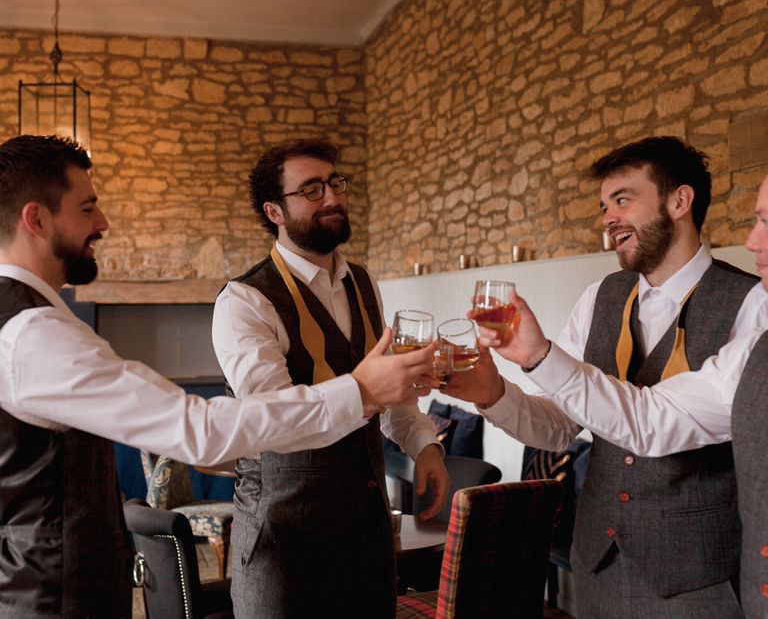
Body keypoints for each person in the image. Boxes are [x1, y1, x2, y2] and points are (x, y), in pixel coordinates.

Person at [0, 135, 437, 619]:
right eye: (87, 208)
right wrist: (361, 391)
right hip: (47, 598)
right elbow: (202, 432)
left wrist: (418, 436)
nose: (103, 222)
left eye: (335, 183)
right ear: (36, 220)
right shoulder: (32, 332)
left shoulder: (29, 320)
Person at [443, 137, 768, 617]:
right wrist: (494, 395)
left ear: (680, 201)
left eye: (623, 200)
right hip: (597, 562)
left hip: (699, 579)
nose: (607, 218)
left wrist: (540, 357)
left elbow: (658, 419)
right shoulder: (600, 297)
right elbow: (559, 425)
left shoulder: (752, 303)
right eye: (604, 206)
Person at [212, 138, 448, 619]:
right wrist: (363, 390)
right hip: (284, 539)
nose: (333, 198)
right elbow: (274, 419)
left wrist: (425, 445)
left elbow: (392, 390)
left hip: (369, 533)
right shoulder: (244, 301)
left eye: (335, 183)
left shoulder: (363, 283)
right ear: (275, 212)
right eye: (312, 189)